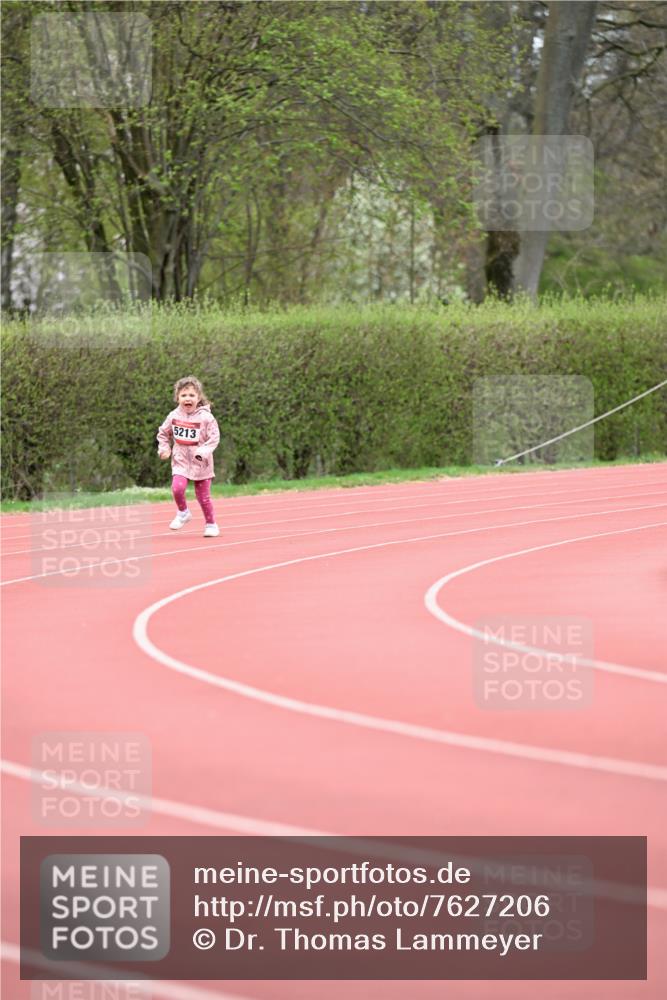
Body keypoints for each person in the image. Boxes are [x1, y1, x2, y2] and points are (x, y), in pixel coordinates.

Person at [157, 376, 221, 537]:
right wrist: (164, 448)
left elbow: (214, 438)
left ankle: (211, 524)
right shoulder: (173, 416)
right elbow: (163, 433)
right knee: (177, 488)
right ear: (177, 398)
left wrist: (203, 452)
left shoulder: (206, 417)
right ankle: (183, 512)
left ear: (198, 398)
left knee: (203, 498)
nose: (187, 398)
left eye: (191, 395)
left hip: (201, 463)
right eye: (184, 395)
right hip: (181, 461)